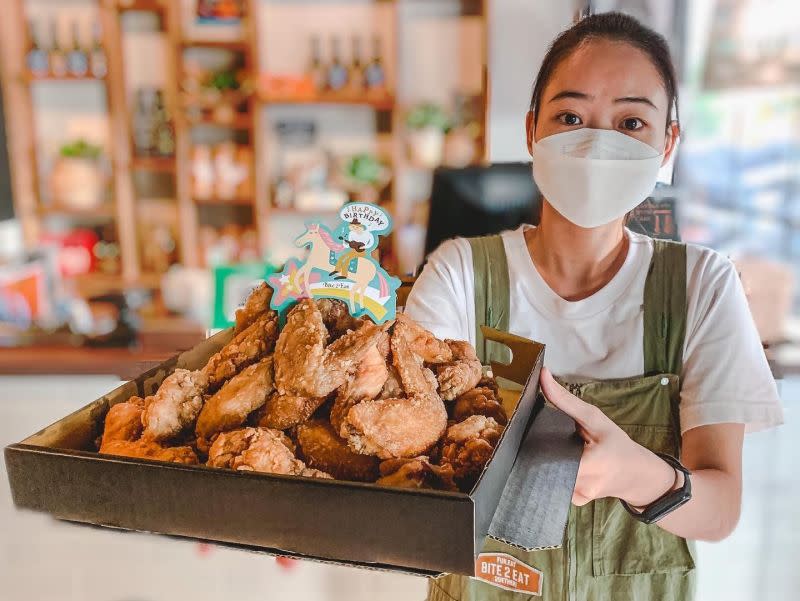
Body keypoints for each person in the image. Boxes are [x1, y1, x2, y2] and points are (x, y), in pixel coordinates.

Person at [404, 12, 783, 601]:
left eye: (631, 122)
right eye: (571, 117)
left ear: (667, 144)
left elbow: (720, 510)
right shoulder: (459, 274)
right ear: (533, 131)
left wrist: (637, 474)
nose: (598, 142)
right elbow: (402, 465)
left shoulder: (702, 285)